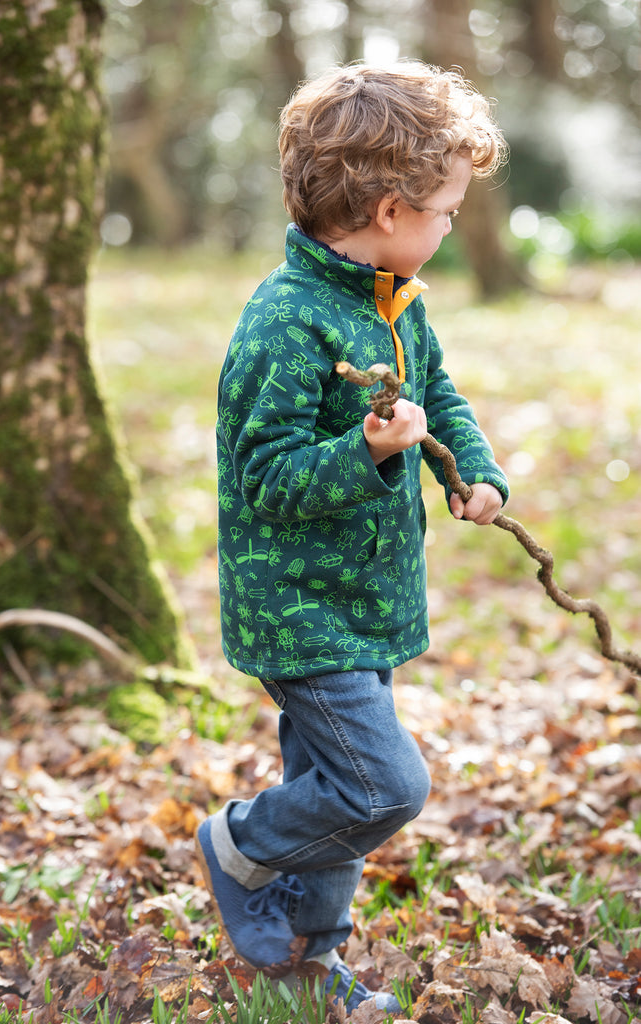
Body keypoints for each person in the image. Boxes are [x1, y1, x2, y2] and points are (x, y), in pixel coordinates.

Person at [196, 60, 510, 1013]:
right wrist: (367, 448)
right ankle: (240, 843)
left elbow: (439, 396)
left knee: (329, 786)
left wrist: (476, 470)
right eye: (447, 210)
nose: (452, 226)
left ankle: (305, 962)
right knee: (381, 789)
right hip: (299, 609)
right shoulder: (284, 324)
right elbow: (265, 476)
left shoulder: (391, 301)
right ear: (387, 211)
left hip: (363, 599)